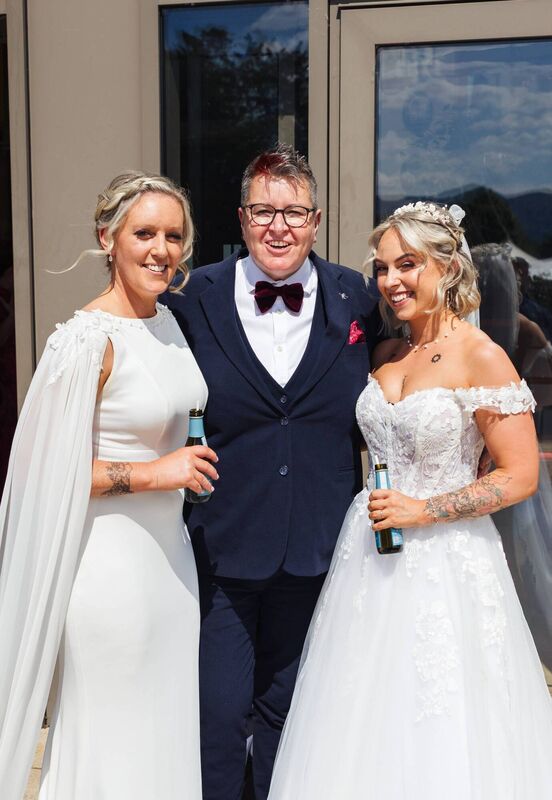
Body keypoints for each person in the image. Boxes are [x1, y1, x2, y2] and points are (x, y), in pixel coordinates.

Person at [268, 202, 552, 799]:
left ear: (448, 267)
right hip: (368, 556)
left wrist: (424, 510)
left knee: (438, 715)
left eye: (408, 264)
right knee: (360, 712)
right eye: (382, 268)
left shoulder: (482, 355)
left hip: (447, 560)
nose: (391, 280)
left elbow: (521, 474)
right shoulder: (386, 353)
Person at [166, 144, 381, 800]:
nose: (278, 226)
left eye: (293, 213)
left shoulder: (358, 298)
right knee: (218, 719)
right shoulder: (192, 298)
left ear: (315, 221)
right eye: (263, 211)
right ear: (241, 218)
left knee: (293, 718)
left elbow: (411, 372)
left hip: (318, 551)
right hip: (222, 549)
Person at [0, 172, 218, 800]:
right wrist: (157, 472)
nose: (161, 250)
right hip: (108, 577)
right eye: (144, 233)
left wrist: (185, 464)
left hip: (170, 568)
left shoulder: (167, 322)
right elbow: (42, 471)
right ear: (108, 238)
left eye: (173, 236)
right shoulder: (83, 341)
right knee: (115, 741)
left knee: (160, 735)